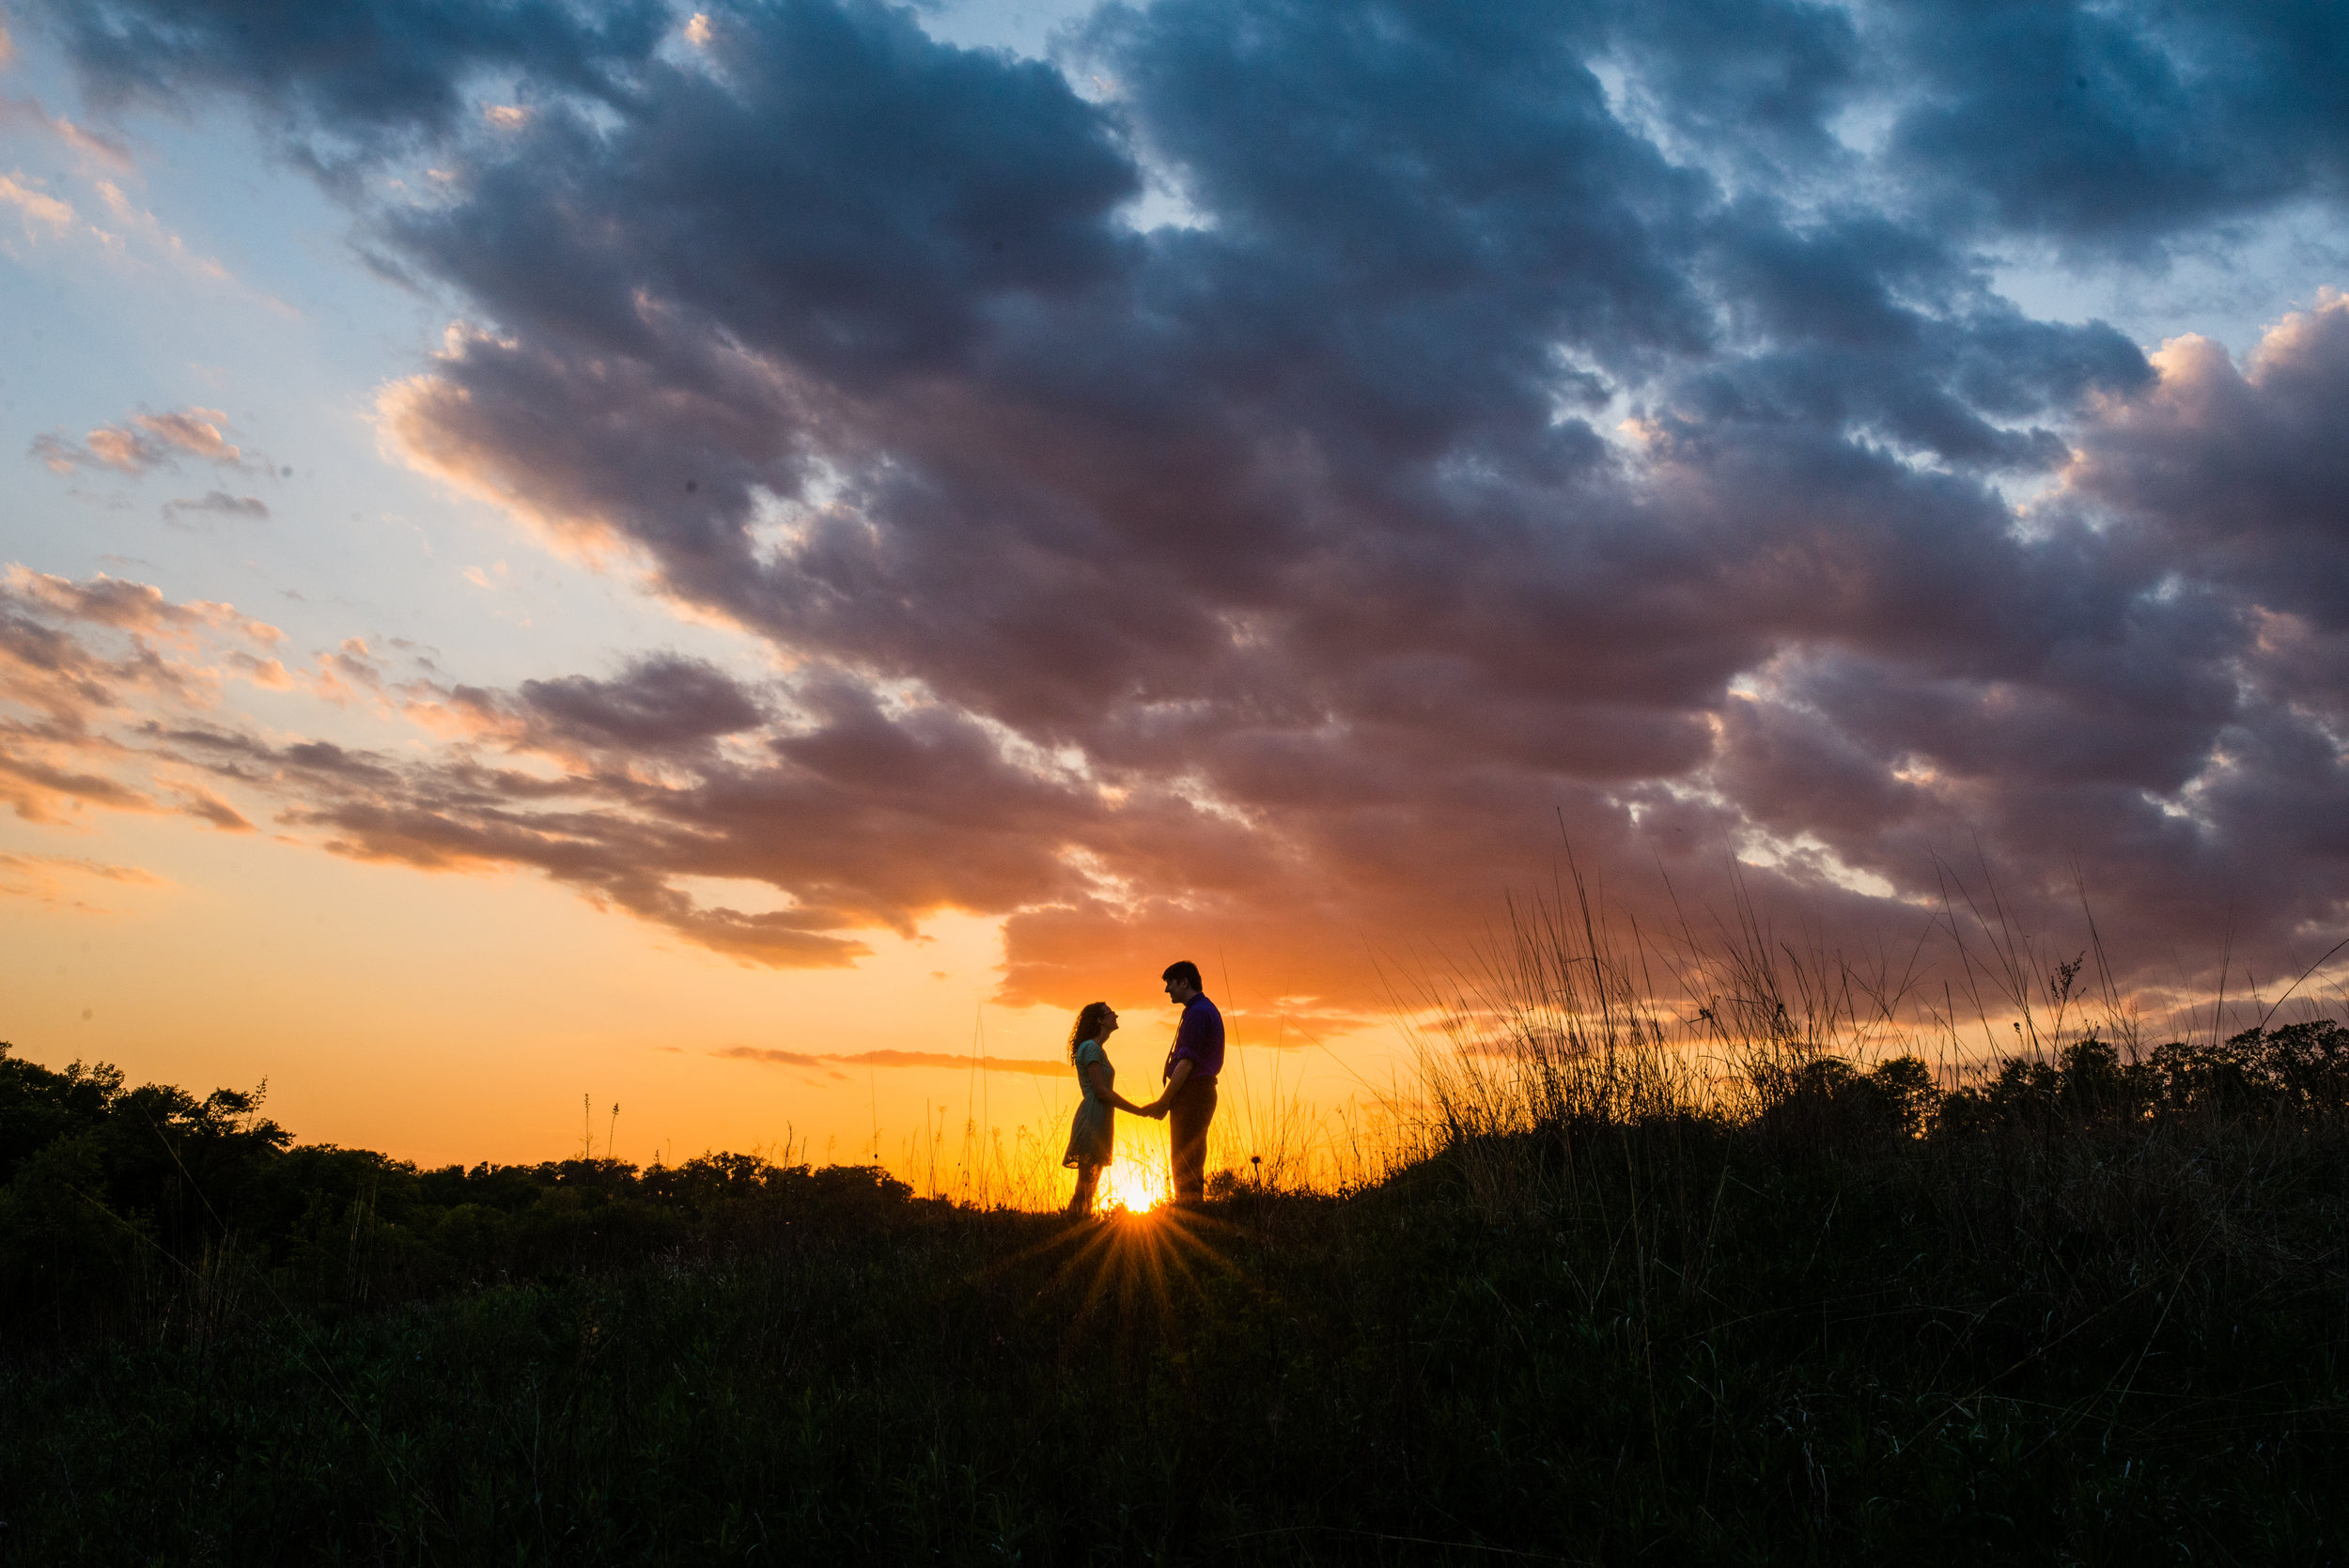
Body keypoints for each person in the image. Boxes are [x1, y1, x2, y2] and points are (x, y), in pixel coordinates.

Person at [1062, 1001, 1159, 1217]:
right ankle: (1071, 1224)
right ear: (1099, 1020)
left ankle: (1078, 1223)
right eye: (1110, 1013)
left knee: (1091, 1182)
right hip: (1092, 1117)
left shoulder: (1096, 1049)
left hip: (1100, 1117)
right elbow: (1101, 1091)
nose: (1116, 1015)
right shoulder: (1090, 1048)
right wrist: (1138, 1110)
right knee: (1086, 1184)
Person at [1139, 960, 1222, 1204]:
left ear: (1184, 982)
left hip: (1193, 1094)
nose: (1167, 990)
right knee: (1188, 1158)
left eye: (1170, 983)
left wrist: (1164, 1102)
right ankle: (1191, 1213)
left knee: (1185, 1159)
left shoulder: (1198, 1013)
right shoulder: (1200, 1010)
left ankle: (1191, 1216)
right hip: (1195, 1094)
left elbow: (1186, 1063)